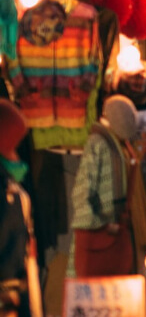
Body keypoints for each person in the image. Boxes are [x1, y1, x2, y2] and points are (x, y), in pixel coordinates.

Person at [71, 95, 143, 276]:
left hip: (115, 232)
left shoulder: (117, 143)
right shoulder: (99, 143)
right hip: (100, 238)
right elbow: (82, 192)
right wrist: (101, 222)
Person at [0, 100, 42, 317]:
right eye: (12, 149)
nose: (17, 158)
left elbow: (28, 257)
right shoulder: (12, 196)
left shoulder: (17, 196)